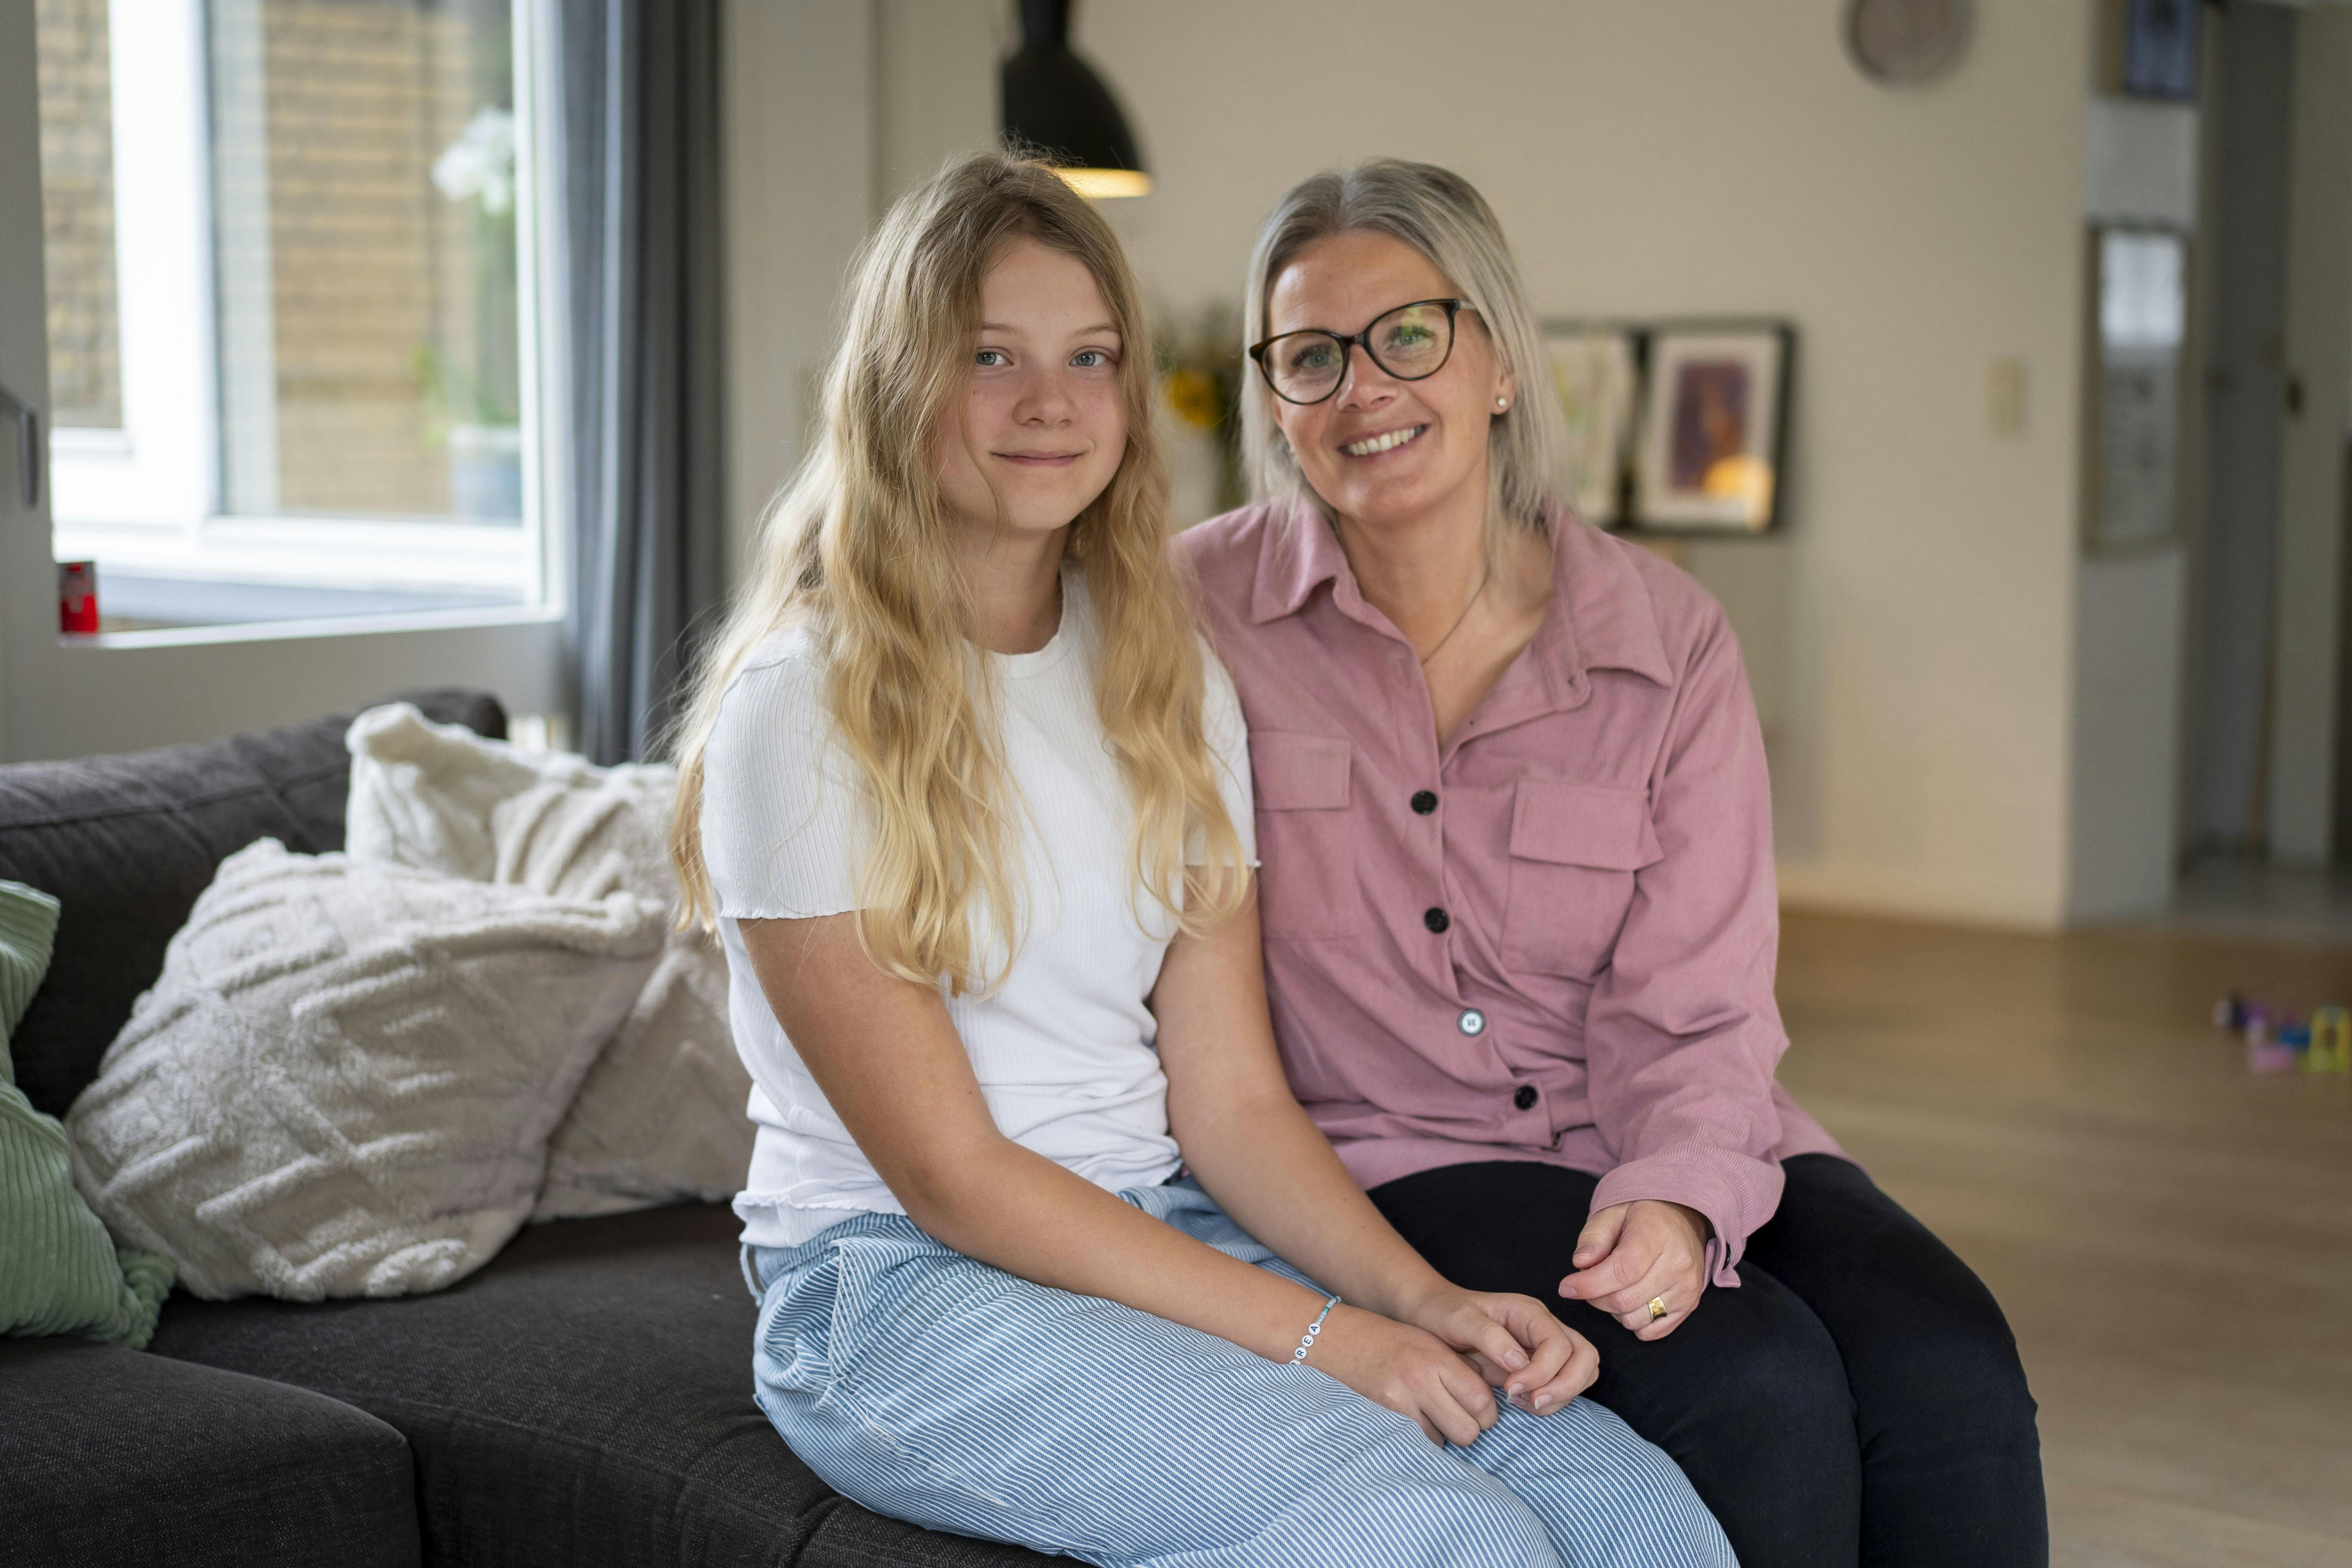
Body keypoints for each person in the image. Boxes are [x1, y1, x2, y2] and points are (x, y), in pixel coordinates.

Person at [666, 151, 1734, 1568]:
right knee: (1434, 1539)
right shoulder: (804, 707)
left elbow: (1228, 1097)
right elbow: (954, 1179)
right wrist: (1329, 1338)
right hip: (900, 1288)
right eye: (989, 356)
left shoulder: (1163, 673)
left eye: (1089, 356)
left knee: (1644, 1527)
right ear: (895, 386)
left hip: (1159, 1223)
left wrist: (1422, 1305)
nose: (1049, 402)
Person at [1180, 158, 2048, 1568]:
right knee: (1760, 1390)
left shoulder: (1667, 637)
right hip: (1405, 1152)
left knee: (1951, 1367)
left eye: (1409, 335)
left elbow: (1701, 997)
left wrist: (1682, 1187)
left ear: (1502, 359)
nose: (1363, 390)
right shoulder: (1193, 612)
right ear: (1273, 395)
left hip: (1661, 1117)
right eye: (1311, 356)